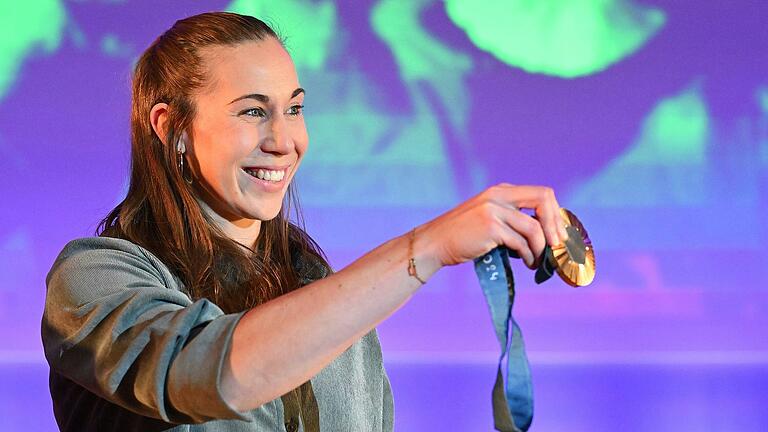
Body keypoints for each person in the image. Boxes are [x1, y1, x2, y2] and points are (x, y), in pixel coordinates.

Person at [41, 11, 569, 432]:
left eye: (293, 109)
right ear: (172, 128)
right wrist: (425, 248)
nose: (284, 140)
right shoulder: (94, 276)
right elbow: (203, 372)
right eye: (252, 112)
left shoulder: (313, 280)